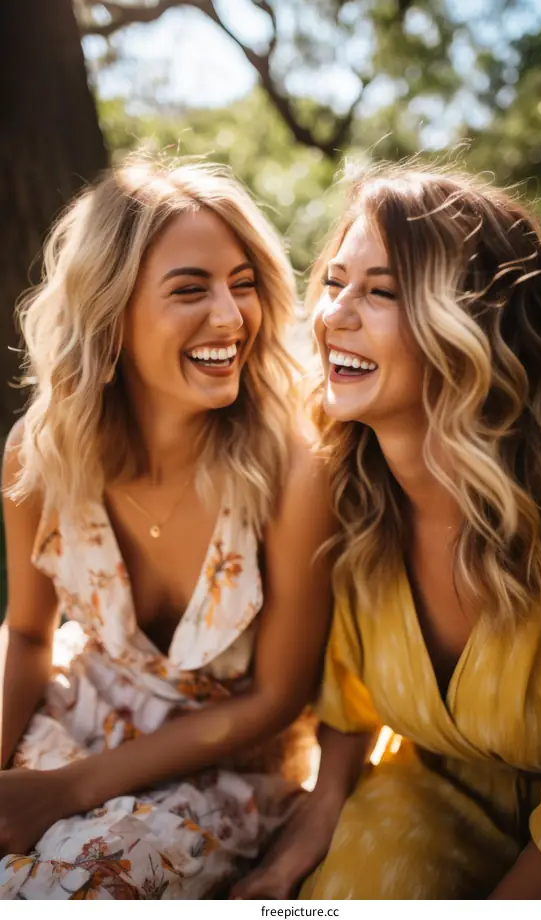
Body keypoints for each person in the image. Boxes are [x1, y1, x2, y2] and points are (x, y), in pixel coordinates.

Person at [232, 165, 541, 899]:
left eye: (380, 291)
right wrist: (318, 815)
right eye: (335, 283)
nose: (334, 315)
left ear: (476, 323)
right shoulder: (348, 497)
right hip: (432, 793)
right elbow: (345, 699)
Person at [0, 158, 333, 899]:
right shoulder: (40, 454)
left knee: (70, 889)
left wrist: (63, 792)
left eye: (242, 284)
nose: (230, 316)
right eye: (191, 289)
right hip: (74, 707)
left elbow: (276, 699)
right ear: (109, 311)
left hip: (222, 767)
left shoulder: (294, 471)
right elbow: (26, 635)